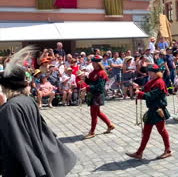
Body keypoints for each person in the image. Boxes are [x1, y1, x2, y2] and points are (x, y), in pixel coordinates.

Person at [0, 46, 76, 176]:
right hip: (35, 155)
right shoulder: (28, 100)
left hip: (21, 166)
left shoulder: (10, 108)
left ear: (6, 86)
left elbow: (12, 142)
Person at [126, 64, 172, 160]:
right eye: (149, 72)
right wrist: (138, 88)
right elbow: (145, 90)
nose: (149, 73)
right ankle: (139, 153)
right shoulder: (151, 81)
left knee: (162, 131)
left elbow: (151, 95)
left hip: (158, 110)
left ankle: (168, 151)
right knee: (146, 132)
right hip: (152, 110)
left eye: (151, 72)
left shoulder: (159, 82)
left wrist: (140, 93)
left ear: (156, 73)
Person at [83, 56, 116, 139]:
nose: (93, 64)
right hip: (92, 94)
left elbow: (100, 86)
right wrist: (85, 79)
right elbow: (91, 82)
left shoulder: (102, 73)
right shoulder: (93, 72)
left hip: (97, 95)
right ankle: (110, 125)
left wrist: (88, 87)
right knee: (97, 112)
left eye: (94, 63)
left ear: (98, 63)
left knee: (93, 114)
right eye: (92, 63)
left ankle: (92, 132)